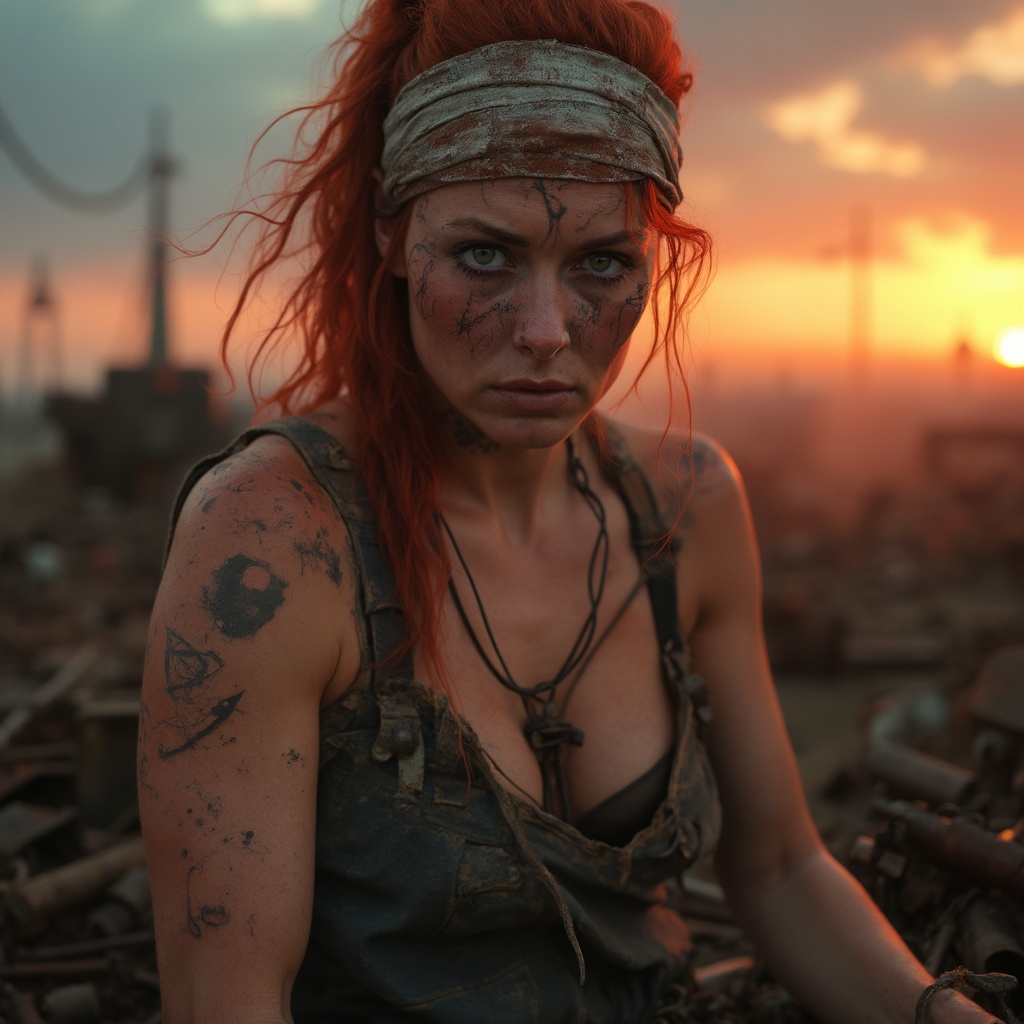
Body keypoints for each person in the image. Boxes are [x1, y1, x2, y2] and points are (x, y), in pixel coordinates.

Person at [137, 1, 1001, 1022]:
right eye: (485, 256)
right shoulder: (276, 541)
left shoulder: (685, 508)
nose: (547, 333)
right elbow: (224, 1002)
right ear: (391, 233)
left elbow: (775, 869)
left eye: (600, 262)